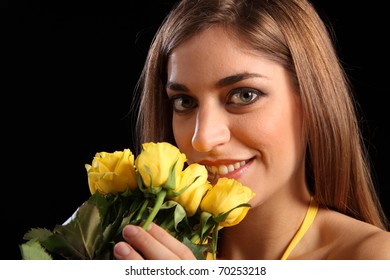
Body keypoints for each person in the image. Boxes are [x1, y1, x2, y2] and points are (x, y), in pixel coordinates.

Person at [113, 0, 390, 260]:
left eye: (244, 95)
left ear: (313, 100)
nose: (203, 139)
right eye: (185, 102)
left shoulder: (373, 257)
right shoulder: (123, 245)